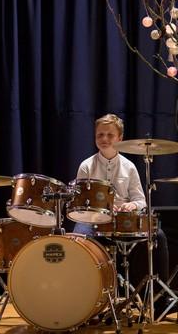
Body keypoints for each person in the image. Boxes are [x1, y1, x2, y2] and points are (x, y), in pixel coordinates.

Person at [72, 114, 169, 282]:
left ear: (120, 138)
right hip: (93, 220)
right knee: (79, 237)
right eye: (100, 135)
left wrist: (131, 206)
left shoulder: (129, 167)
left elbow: (141, 201)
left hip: (123, 221)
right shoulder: (86, 166)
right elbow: (81, 202)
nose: (104, 139)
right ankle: (86, 289)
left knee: (158, 235)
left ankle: (159, 291)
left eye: (110, 135)